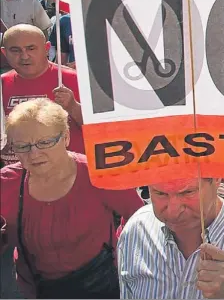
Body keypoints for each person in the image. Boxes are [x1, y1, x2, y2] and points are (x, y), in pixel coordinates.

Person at [1, 98, 143, 298]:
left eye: (44, 142)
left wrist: (122, 250)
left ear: (66, 137)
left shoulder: (98, 173)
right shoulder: (7, 182)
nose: (34, 154)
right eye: (22, 146)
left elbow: (139, 218)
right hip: (35, 290)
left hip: (100, 285)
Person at [1, 24, 84, 156]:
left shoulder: (74, 79)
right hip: (16, 173)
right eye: (15, 50)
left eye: (31, 48)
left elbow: (103, 130)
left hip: (67, 171)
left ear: (46, 49)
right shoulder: (2, 84)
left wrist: (73, 107)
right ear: (4, 53)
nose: (24, 56)